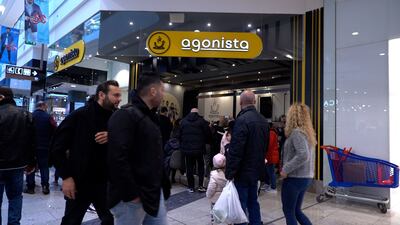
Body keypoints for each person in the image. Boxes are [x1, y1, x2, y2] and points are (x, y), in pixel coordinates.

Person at [51, 80, 121, 225]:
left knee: (109, 219)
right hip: (80, 181)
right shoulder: (80, 116)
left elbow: (128, 141)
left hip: (106, 182)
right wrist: (66, 177)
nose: (119, 99)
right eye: (116, 95)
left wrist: (112, 136)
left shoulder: (118, 118)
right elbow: (57, 147)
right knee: (71, 220)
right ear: (102, 95)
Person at [107, 74, 171, 225]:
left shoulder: (149, 117)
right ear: (153, 91)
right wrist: (131, 194)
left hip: (152, 192)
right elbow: (116, 158)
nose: (164, 95)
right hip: (133, 197)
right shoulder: (125, 115)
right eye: (162, 90)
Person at [225, 90, 269, 225]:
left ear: (240, 102)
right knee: (253, 202)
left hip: (242, 172)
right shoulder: (263, 120)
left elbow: (236, 149)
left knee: (240, 205)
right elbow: (265, 147)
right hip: (256, 170)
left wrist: (230, 172)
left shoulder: (241, 120)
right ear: (255, 102)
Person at [0, 87, 36, 225]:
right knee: (15, 198)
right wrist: (32, 162)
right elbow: (32, 142)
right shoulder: (26, 114)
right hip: (18, 165)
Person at [280, 103, 316, 225]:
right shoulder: (307, 134)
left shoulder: (297, 133)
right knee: (296, 211)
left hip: (295, 178)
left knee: (289, 211)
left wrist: (285, 169)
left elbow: (303, 155)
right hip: (305, 177)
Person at [25, 101, 56, 195]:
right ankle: (45, 187)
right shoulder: (48, 117)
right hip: (44, 146)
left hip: (31, 147)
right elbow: (55, 130)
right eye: (46, 106)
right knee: (44, 167)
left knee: (31, 166)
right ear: (43, 106)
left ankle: (30, 187)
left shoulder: (30, 116)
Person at [179, 108, 212, 193]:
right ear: (197, 113)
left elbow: (179, 135)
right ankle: (200, 186)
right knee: (200, 166)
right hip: (199, 148)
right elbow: (208, 134)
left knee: (189, 167)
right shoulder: (202, 121)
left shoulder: (183, 121)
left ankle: (191, 187)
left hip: (187, 149)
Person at [206, 153, 227, 225]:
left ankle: (215, 222)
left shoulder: (214, 175)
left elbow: (211, 187)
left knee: (215, 213)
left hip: (215, 199)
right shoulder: (228, 173)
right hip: (225, 198)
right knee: (225, 212)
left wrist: (208, 195)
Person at [263, 124, 280, 193]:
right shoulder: (271, 133)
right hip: (269, 155)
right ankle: (268, 184)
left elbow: (269, 145)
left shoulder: (271, 133)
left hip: (271, 156)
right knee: (268, 171)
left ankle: (273, 187)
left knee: (271, 172)